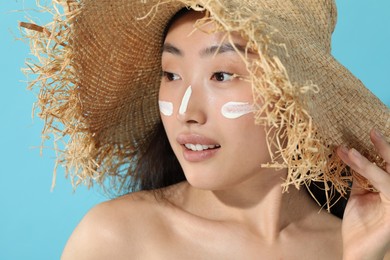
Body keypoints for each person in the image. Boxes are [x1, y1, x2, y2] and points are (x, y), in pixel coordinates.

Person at [20, 0, 390, 259]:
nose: (186, 112)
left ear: (298, 93)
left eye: (222, 75)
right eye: (171, 75)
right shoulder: (117, 237)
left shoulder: (359, 244)